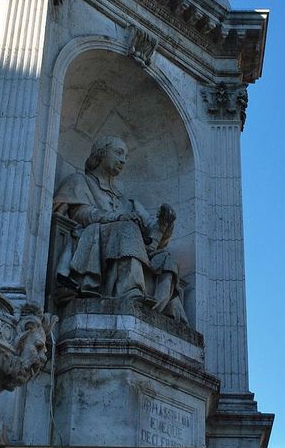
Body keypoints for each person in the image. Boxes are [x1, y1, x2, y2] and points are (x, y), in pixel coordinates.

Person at [52, 136, 186, 323]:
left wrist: (164, 223)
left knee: (166, 259)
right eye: (118, 152)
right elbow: (81, 214)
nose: (123, 160)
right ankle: (130, 293)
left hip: (125, 241)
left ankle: (160, 312)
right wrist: (118, 217)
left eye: (126, 156)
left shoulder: (128, 202)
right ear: (101, 152)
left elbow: (152, 241)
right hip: (93, 237)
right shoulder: (79, 182)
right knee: (127, 229)